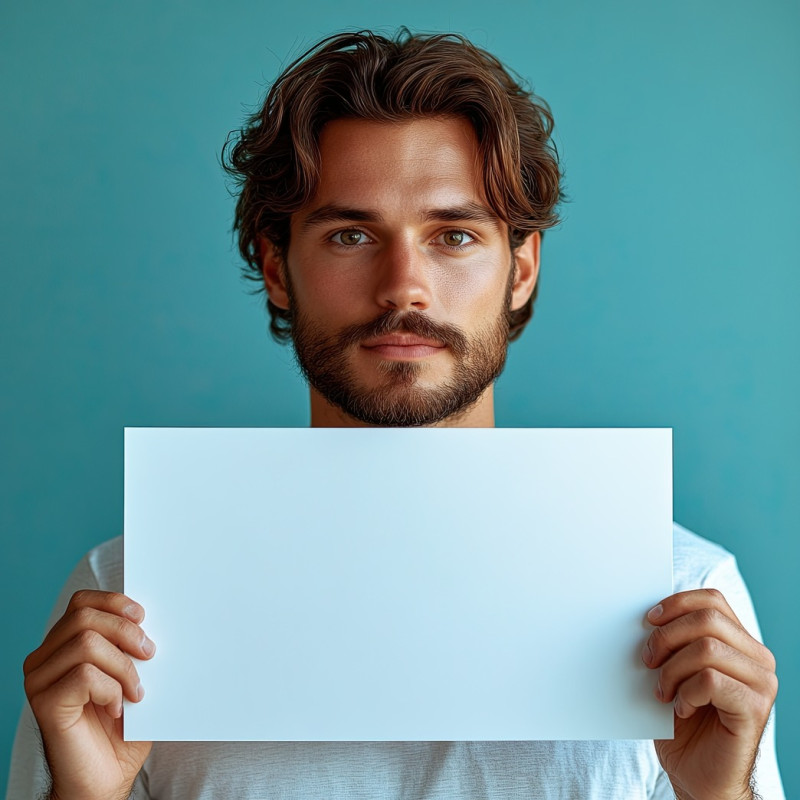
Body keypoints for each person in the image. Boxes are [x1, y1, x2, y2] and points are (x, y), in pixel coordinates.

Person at [7, 29, 783, 800]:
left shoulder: (684, 597)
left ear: (520, 268)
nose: (404, 285)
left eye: (453, 235)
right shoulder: (131, 598)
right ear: (277, 267)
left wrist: (719, 797)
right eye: (351, 234)